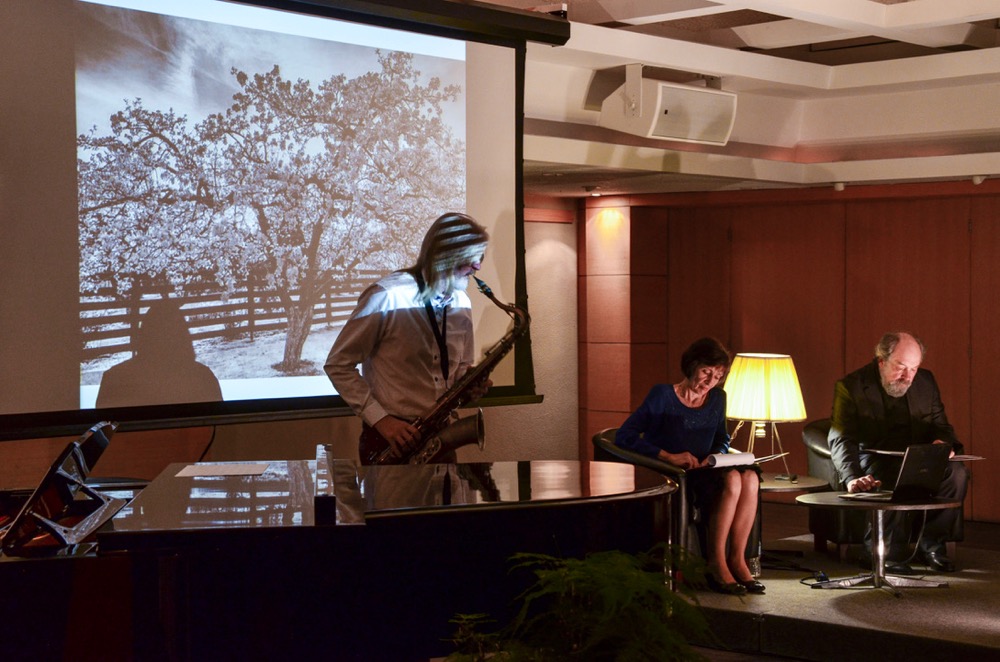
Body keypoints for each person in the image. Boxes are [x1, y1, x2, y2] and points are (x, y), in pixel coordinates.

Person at [325, 212, 491, 463]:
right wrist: (382, 421)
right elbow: (338, 365)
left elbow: (458, 371)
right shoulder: (387, 296)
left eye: (481, 257)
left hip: (440, 438)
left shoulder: (462, 303)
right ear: (443, 253)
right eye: (471, 256)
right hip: (390, 440)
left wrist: (470, 385)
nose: (477, 266)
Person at [615, 337, 763, 596]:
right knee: (733, 479)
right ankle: (716, 563)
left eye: (718, 376)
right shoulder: (662, 396)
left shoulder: (718, 398)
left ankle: (737, 560)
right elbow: (624, 436)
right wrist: (668, 456)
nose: (710, 381)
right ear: (692, 365)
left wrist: (716, 454)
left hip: (707, 469)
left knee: (750, 477)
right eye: (706, 372)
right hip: (678, 475)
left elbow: (722, 438)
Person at [828, 331, 969, 573]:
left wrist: (942, 444)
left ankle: (932, 545)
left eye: (913, 369)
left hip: (917, 455)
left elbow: (942, 427)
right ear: (881, 361)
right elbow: (841, 437)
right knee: (893, 474)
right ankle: (878, 552)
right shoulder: (851, 386)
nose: (907, 376)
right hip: (876, 457)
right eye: (901, 367)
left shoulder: (926, 382)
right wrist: (852, 477)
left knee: (957, 473)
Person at [96, 299, 222, 408]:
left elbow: (104, 427)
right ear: (184, 336)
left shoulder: (114, 378)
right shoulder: (203, 378)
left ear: (144, 334)